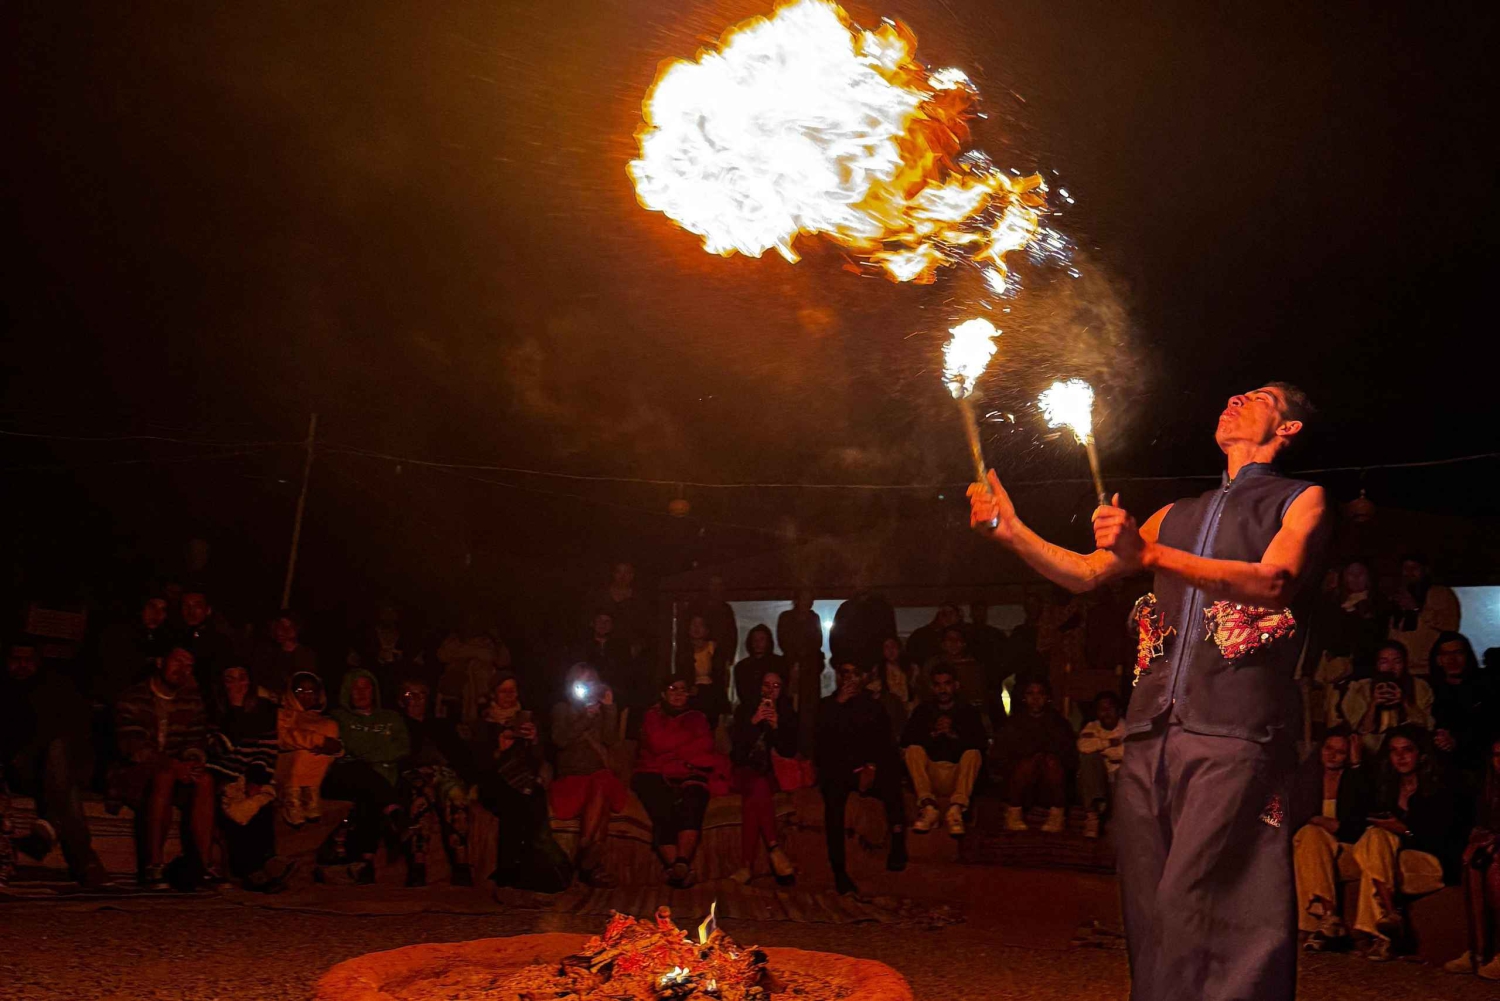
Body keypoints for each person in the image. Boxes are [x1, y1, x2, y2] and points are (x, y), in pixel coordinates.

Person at [970, 382, 1330, 1000]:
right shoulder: (1176, 514)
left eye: (1259, 396)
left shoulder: (1300, 500)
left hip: (1233, 732)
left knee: (1201, 908)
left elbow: (1274, 582)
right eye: (1232, 394)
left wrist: (1151, 553)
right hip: (1150, 732)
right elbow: (1085, 573)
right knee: (1150, 912)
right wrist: (1012, 533)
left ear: (1289, 428)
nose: (1235, 398)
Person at [1349, 726, 1462, 961]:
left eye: (1407, 750)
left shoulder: (1440, 787)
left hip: (1431, 863)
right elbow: (1356, 818)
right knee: (1375, 837)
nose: (1400, 756)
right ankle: (1390, 919)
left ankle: (1380, 928)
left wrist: (1406, 830)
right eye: (1393, 751)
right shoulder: (1387, 787)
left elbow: (1444, 839)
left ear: (1421, 754)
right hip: (1393, 862)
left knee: (1374, 849)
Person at [1, 640, 108, 887]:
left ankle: (53, 826)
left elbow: (73, 727)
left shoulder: (53, 689)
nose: (22, 666)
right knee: (64, 781)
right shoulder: (5, 692)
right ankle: (84, 861)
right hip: (19, 766)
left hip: (54, 766)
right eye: (16, 660)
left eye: (28, 661)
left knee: (61, 762)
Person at [112, 646, 214, 890]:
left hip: (175, 768)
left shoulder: (191, 701)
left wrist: (191, 761)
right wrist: (172, 765)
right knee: (165, 775)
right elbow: (132, 745)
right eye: (177, 662)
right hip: (134, 772)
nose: (182, 670)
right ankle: (154, 865)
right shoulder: (133, 697)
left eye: (188, 665)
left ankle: (203, 864)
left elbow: (196, 739)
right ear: (160, 662)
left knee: (205, 779)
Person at [816, 661, 906, 895]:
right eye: (845, 673)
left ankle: (898, 842)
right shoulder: (827, 705)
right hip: (838, 772)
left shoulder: (873, 705)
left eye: (854, 673)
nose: (849, 678)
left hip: (868, 768)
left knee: (892, 779)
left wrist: (872, 767)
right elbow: (821, 742)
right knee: (833, 800)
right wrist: (839, 704)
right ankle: (839, 872)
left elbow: (884, 742)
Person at [205, 663, 289, 891]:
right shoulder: (215, 709)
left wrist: (256, 777)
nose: (237, 684)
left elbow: (267, 747)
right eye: (230, 679)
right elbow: (215, 748)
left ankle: (266, 861)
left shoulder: (264, 709)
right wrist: (235, 713)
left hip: (251, 770)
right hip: (223, 772)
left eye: (242, 678)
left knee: (259, 800)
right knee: (233, 805)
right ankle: (248, 869)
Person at [322, 668, 409, 884]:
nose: (361, 693)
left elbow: (403, 748)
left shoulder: (391, 718)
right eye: (355, 688)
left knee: (370, 795)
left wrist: (368, 754)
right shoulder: (338, 718)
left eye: (366, 687)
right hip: (346, 776)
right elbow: (352, 748)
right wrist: (378, 752)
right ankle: (393, 810)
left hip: (379, 780)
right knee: (359, 771)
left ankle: (364, 861)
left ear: (374, 690)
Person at [1289, 729, 1372, 951]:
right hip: (1310, 847)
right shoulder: (1303, 778)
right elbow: (1276, 818)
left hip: (1347, 852)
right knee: (1310, 835)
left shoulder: (1355, 780)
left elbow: (1360, 827)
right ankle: (1329, 917)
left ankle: (1315, 924)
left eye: (1341, 752)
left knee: (1310, 836)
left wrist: (1357, 767)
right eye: (1328, 749)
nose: (1332, 755)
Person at [633, 677, 719, 887]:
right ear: (663, 694)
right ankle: (681, 870)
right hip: (652, 772)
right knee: (662, 806)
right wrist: (686, 743)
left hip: (689, 771)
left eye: (683, 689)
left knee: (694, 799)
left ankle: (678, 866)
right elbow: (657, 743)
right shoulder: (652, 715)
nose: (678, 693)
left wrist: (672, 752)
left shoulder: (697, 717)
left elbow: (706, 745)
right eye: (673, 689)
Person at [474, 672, 555, 890]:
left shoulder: (526, 720)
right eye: (504, 691)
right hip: (494, 783)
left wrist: (534, 740)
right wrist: (499, 751)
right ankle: (507, 873)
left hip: (524, 781)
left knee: (534, 800)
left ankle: (535, 872)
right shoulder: (484, 723)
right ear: (494, 694)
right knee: (513, 803)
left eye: (513, 690)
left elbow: (539, 760)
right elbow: (478, 766)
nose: (510, 695)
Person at [550, 663, 626, 887]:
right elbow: (560, 740)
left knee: (602, 781)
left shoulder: (600, 709)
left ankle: (584, 850)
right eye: (582, 681)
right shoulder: (562, 709)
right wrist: (586, 717)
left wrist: (610, 709)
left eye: (591, 681)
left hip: (597, 776)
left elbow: (611, 740)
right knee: (601, 794)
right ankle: (590, 864)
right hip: (573, 776)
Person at [395, 679, 476, 886]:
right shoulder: (397, 725)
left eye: (420, 695)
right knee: (420, 795)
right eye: (409, 695)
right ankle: (418, 866)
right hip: (412, 773)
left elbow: (461, 756)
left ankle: (462, 866)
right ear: (401, 700)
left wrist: (471, 781)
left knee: (456, 795)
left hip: (443, 772)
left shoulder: (441, 725)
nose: (415, 700)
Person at [728, 669, 798, 885]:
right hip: (743, 771)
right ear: (760, 687)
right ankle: (774, 848)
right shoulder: (744, 710)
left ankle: (746, 866)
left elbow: (789, 751)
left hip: (771, 774)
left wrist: (777, 727)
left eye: (776, 686)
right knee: (756, 787)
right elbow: (737, 752)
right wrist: (754, 721)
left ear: (782, 690)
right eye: (767, 684)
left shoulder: (787, 714)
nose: (770, 689)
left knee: (754, 798)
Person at [901, 665, 986, 837]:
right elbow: (906, 740)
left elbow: (981, 743)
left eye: (947, 684)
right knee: (913, 750)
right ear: (933, 687)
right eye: (938, 685)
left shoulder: (968, 712)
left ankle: (956, 809)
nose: (943, 689)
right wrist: (933, 734)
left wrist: (954, 734)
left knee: (973, 754)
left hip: (958, 775)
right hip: (930, 774)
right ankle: (928, 806)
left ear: (955, 685)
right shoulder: (923, 711)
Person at [1445, 737, 1500, 980]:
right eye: (1497, 755)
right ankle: (1478, 951)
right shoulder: (1490, 790)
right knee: (1472, 864)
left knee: (1496, 872)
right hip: (1493, 847)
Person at [996, 679, 1077, 833]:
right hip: (1021, 784)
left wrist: (1045, 757)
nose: (1035, 698)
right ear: (1024, 697)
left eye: (1040, 693)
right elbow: (1001, 755)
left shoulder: (1058, 723)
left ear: (1047, 697)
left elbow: (1069, 755)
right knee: (1027, 763)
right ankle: (1014, 812)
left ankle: (1057, 815)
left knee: (1051, 762)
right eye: (1030, 693)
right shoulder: (1013, 724)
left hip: (1051, 783)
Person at [1341, 640, 1434, 762]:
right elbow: (1361, 730)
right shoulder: (1361, 688)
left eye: (1397, 661)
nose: (1391, 667)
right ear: (1377, 665)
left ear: (1404, 664)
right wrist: (1374, 704)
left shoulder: (1419, 687)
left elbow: (1426, 725)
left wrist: (1404, 701)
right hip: (1371, 750)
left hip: (1407, 749)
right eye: (1384, 662)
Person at [275, 671, 343, 827]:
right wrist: (317, 740)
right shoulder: (284, 714)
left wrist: (335, 748)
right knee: (304, 749)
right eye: (300, 691)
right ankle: (291, 797)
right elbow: (283, 738)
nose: (305, 695)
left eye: (311, 691)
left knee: (329, 726)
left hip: (315, 773)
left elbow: (334, 746)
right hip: (285, 769)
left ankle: (310, 792)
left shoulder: (322, 719)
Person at [1430, 632, 1491, 782]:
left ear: (1467, 656)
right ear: (1438, 659)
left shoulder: (1487, 685)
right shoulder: (1431, 690)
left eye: (1458, 652)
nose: (1452, 659)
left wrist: (1458, 741)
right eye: (1446, 654)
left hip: (1481, 763)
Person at [1388, 553, 1461, 677]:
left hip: (1431, 669)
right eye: (1405, 568)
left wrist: (1416, 609)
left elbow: (1451, 626)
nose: (1409, 572)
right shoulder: (1397, 596)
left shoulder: (1441, 594)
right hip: (1401, 670)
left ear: (1425, 570)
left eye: (1414, 568)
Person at [95, 595, 171, 704]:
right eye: (152, 607)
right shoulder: (120, 632)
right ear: (142, 608)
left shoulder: (162, 637)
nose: (157, 614)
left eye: (163, 610)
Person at [776, 589, 824, 757]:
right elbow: (783, 640)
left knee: (809, 714)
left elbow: (817, 642)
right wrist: (794, 662)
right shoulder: (786, 618)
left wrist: (808, 661)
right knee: (789, 708)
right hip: (791, 668)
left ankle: (807, 753)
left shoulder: (814, 618)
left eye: (809, 598)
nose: (806, 602)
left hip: (810, 671)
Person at [1075, 690, 1126, 839]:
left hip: (1119, 781)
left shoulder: (1128, 729)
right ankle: (1092, 817)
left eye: (1110, 708)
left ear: (1118, 710)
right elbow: (1083, 746)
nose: (1106, 713)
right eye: (1101, 709)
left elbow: (1126, 752)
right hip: (1098, 781)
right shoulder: (1092, 727)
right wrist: (1108, 743)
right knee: (1089, 759)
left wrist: (1102, 750)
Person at [174, 588, 237, 697]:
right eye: (186, 606)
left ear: (208, 610)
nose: (190, 611)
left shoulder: (220, 641)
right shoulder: (173, 637)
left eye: (197, 606)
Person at [828, 588, 896, 678]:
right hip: (867, 665)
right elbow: (836, 636)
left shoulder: (847, 607)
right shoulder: (883, 607)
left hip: (863, 665)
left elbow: (836, 637)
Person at [675, 613, 730, 722]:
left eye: (700, 625)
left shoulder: (713, 648)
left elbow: (721, 674)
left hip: (711, 693)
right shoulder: (683, 651)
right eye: (693, 625)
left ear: (707, 630)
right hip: (690, 694)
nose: (696, 628)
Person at [252, 611, 318, 700]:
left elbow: (305, 686)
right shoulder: (268, 651)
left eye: (287, 627)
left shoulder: (305, 655)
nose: (280, 631)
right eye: (278, 626)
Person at [926, 626, 985, 709]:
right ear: (942, 644)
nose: (954, 643)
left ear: (964, 644)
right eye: (949, 639)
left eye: (958, 639)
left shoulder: (974, 665)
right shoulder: (932, 664)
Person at [732, 623, 785, 709]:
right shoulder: (742, 666)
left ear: (768, 641)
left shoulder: (779, 663)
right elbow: (742, 694)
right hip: (750, 710)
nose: (757, 643)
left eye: (762, 639)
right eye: (755, 639)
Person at [905, 604, 961, 673]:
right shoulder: (919, 635)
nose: (948, 617)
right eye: (944, 614)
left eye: (951, 614)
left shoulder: (959, 635)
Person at [876, 636, 922, 710]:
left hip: (910, 706)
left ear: (899, 648)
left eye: (893, 646)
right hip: (890, 708)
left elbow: (918, 690)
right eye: (886, 647)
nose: (891, 651)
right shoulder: (878, 670)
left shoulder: (913, 668)